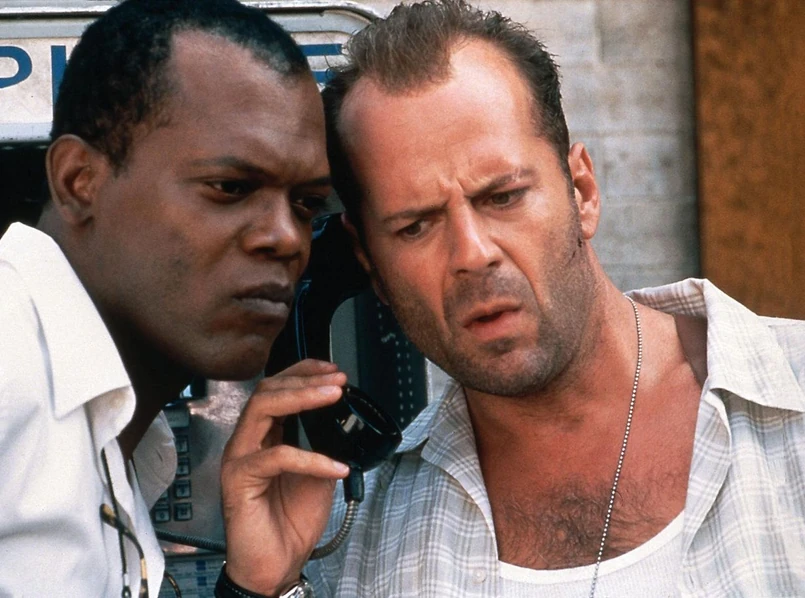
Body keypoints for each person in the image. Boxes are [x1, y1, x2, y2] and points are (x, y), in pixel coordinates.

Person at [225, 1, 805, 597]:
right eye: (415, 226)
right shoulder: (353, 532)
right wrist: (262, 588)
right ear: (368, 261)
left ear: (582, 192)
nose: (473, 253)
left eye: (502, 197)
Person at [0, 0, 348, 596]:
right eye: (230, 187)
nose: (288, 238)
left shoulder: (121, 438)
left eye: (306, 205)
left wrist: (254, 589)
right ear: (79, 181)